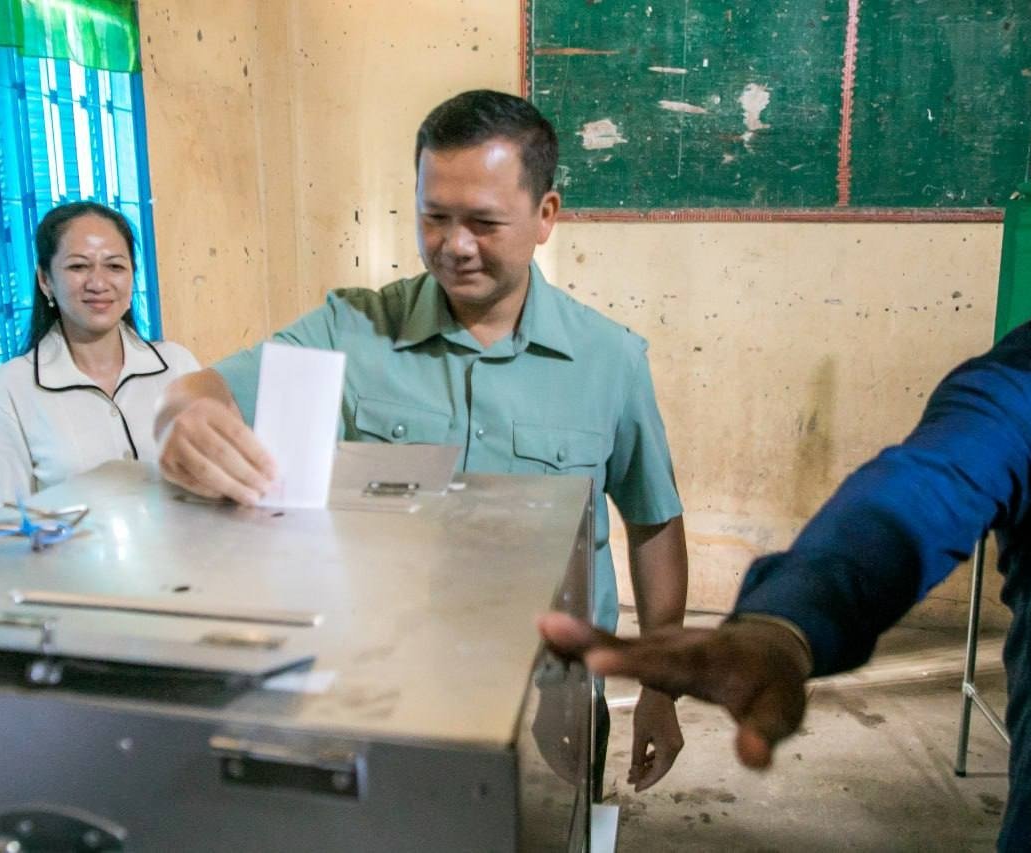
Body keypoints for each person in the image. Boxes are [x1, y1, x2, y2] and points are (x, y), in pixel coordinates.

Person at [155, 90, 689, 792]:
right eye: (434, 217)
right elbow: (205, 387)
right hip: (386, 688)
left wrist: (660, 685)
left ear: (545, 216)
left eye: (483, 222)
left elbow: (652, 522)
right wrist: (179, 414)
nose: (455, 245)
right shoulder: (353, 330)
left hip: (553, 695)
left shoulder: (609, 360)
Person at [540, 313, 1031, 849]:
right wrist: (787, 622)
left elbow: (653, 517)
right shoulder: (1023, 383)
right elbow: (916, 496)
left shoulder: (608, 354)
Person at [0, 202, 200, 512]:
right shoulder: (10, 391)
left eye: (115, 266)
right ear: (45, 280)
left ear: (132, 276)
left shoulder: (178, 366)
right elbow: (3, 526)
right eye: (78, 266)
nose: (98, 283)